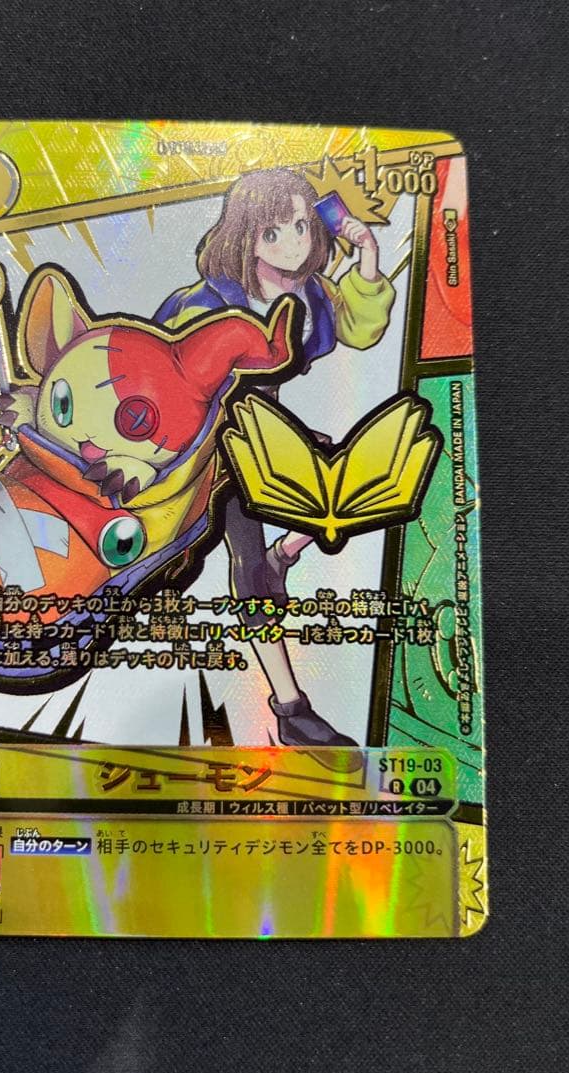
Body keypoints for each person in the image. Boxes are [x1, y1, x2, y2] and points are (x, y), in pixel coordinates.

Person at [155, 167, 395, 747]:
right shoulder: (206, 303)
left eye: (301, 227)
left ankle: (283, 554)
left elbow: (360, 330)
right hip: (208, 447)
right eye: (273, 232)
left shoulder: (312, 294)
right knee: (250, 573)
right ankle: (291, 708)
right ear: (245, 236)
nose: (293, 244)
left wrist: (367, 256)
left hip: (264, 429)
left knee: (352, 483)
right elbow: (158, 369)